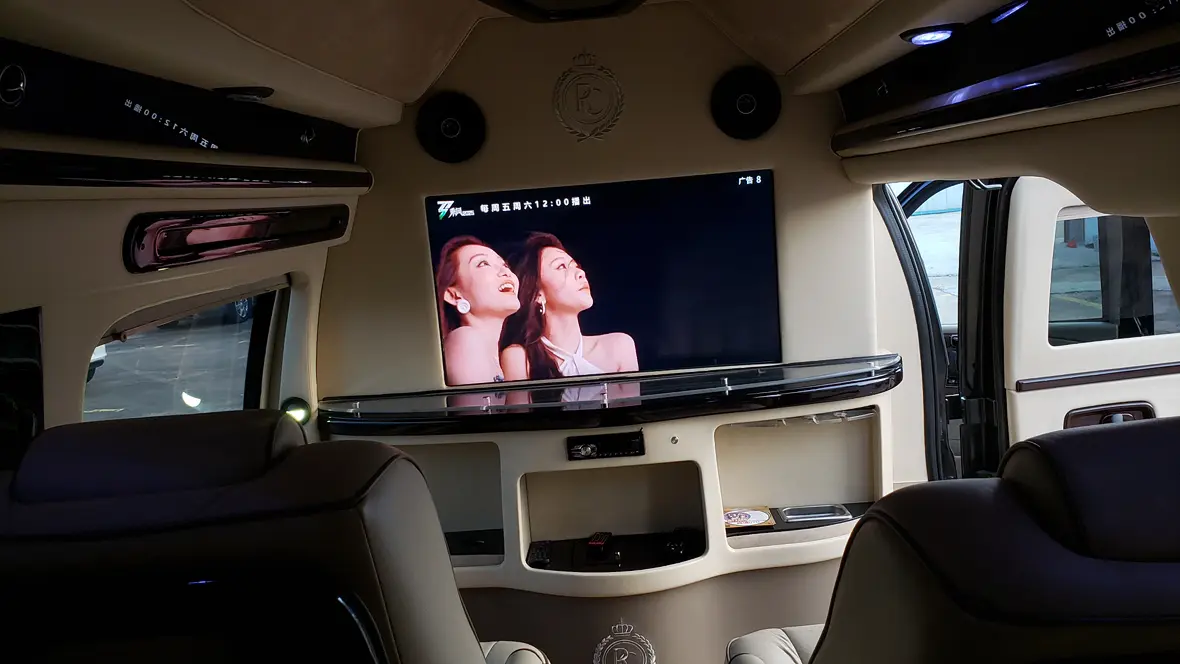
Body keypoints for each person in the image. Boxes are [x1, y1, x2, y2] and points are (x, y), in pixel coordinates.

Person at [500, 232, 638, 383]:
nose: (580, 273)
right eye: (561, 266)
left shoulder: (619, 346)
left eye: (576, 266)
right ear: (538, 294)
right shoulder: (519, 357)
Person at [435, 235, 520, 385]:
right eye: (483, 263)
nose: (505, 272)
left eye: (505, 265)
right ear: (454, 295)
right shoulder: (465, 339)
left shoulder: (497, 360)